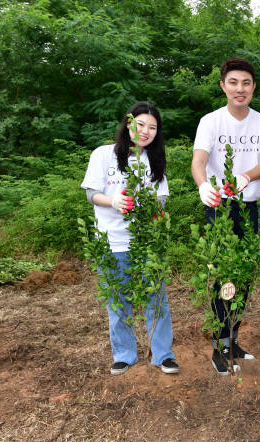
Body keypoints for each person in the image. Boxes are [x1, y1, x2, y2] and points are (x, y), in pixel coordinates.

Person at [191, 57, 260, 376]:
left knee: (244, 275)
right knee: (224, 274)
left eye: (246, 83)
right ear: (223, 86)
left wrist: (245, 177)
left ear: (253, 87)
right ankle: (220, 347)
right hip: (219, 207)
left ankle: (233, 338)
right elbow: (199, 161)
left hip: (247, 205)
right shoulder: (211, 121)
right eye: (233, 82)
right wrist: (203, 186)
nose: (240, 89)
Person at [81, 102, 179, 376]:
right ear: (128, 124)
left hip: (145, 242)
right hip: (111, 241)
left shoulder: (154, 160)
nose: (146, 131)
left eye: (153, 127)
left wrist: (147, 207)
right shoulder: (103, 154)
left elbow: (161, 199)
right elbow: (91, 193)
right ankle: (124, 355)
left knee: (156, 300)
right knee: (117, 300)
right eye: (140, 124)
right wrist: (114, 201)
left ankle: (163, 355)